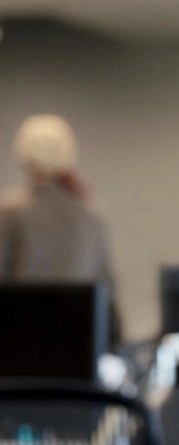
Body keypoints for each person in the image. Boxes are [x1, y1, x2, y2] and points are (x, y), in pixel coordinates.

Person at [0, 114, 119, 340]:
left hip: (21, 342)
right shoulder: (90, 212)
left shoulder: (10, 212)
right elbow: (108, 287)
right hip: (79, 344)